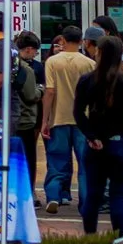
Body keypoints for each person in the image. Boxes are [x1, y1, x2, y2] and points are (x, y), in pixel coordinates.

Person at [74, 33, 123, 236]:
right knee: (118, 197)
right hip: (120, 142)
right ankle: (121, 237)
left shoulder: (87, 80)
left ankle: (90, 236)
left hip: (95, 144)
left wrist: (93, 136)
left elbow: (78, 112)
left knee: (93, 194)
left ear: (98, 53)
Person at [40, 26, 95, 212]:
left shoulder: (52, 62)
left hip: (58, 118)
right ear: (81, 41)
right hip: (83, 121)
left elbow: (49, 91)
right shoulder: (89, 63)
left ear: (62, 40)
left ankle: (54, 195)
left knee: (57, 161)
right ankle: (86, 202)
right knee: (86, 163)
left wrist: (44, 120)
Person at [8, 30, 44, 177]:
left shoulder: (9, 64)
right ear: (28, 49)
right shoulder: (27, 70)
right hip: (26, 120)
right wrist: (41, 90)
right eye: (35, 51)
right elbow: (31, 96)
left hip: (11, 118)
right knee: (28, 160)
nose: (35, 54)